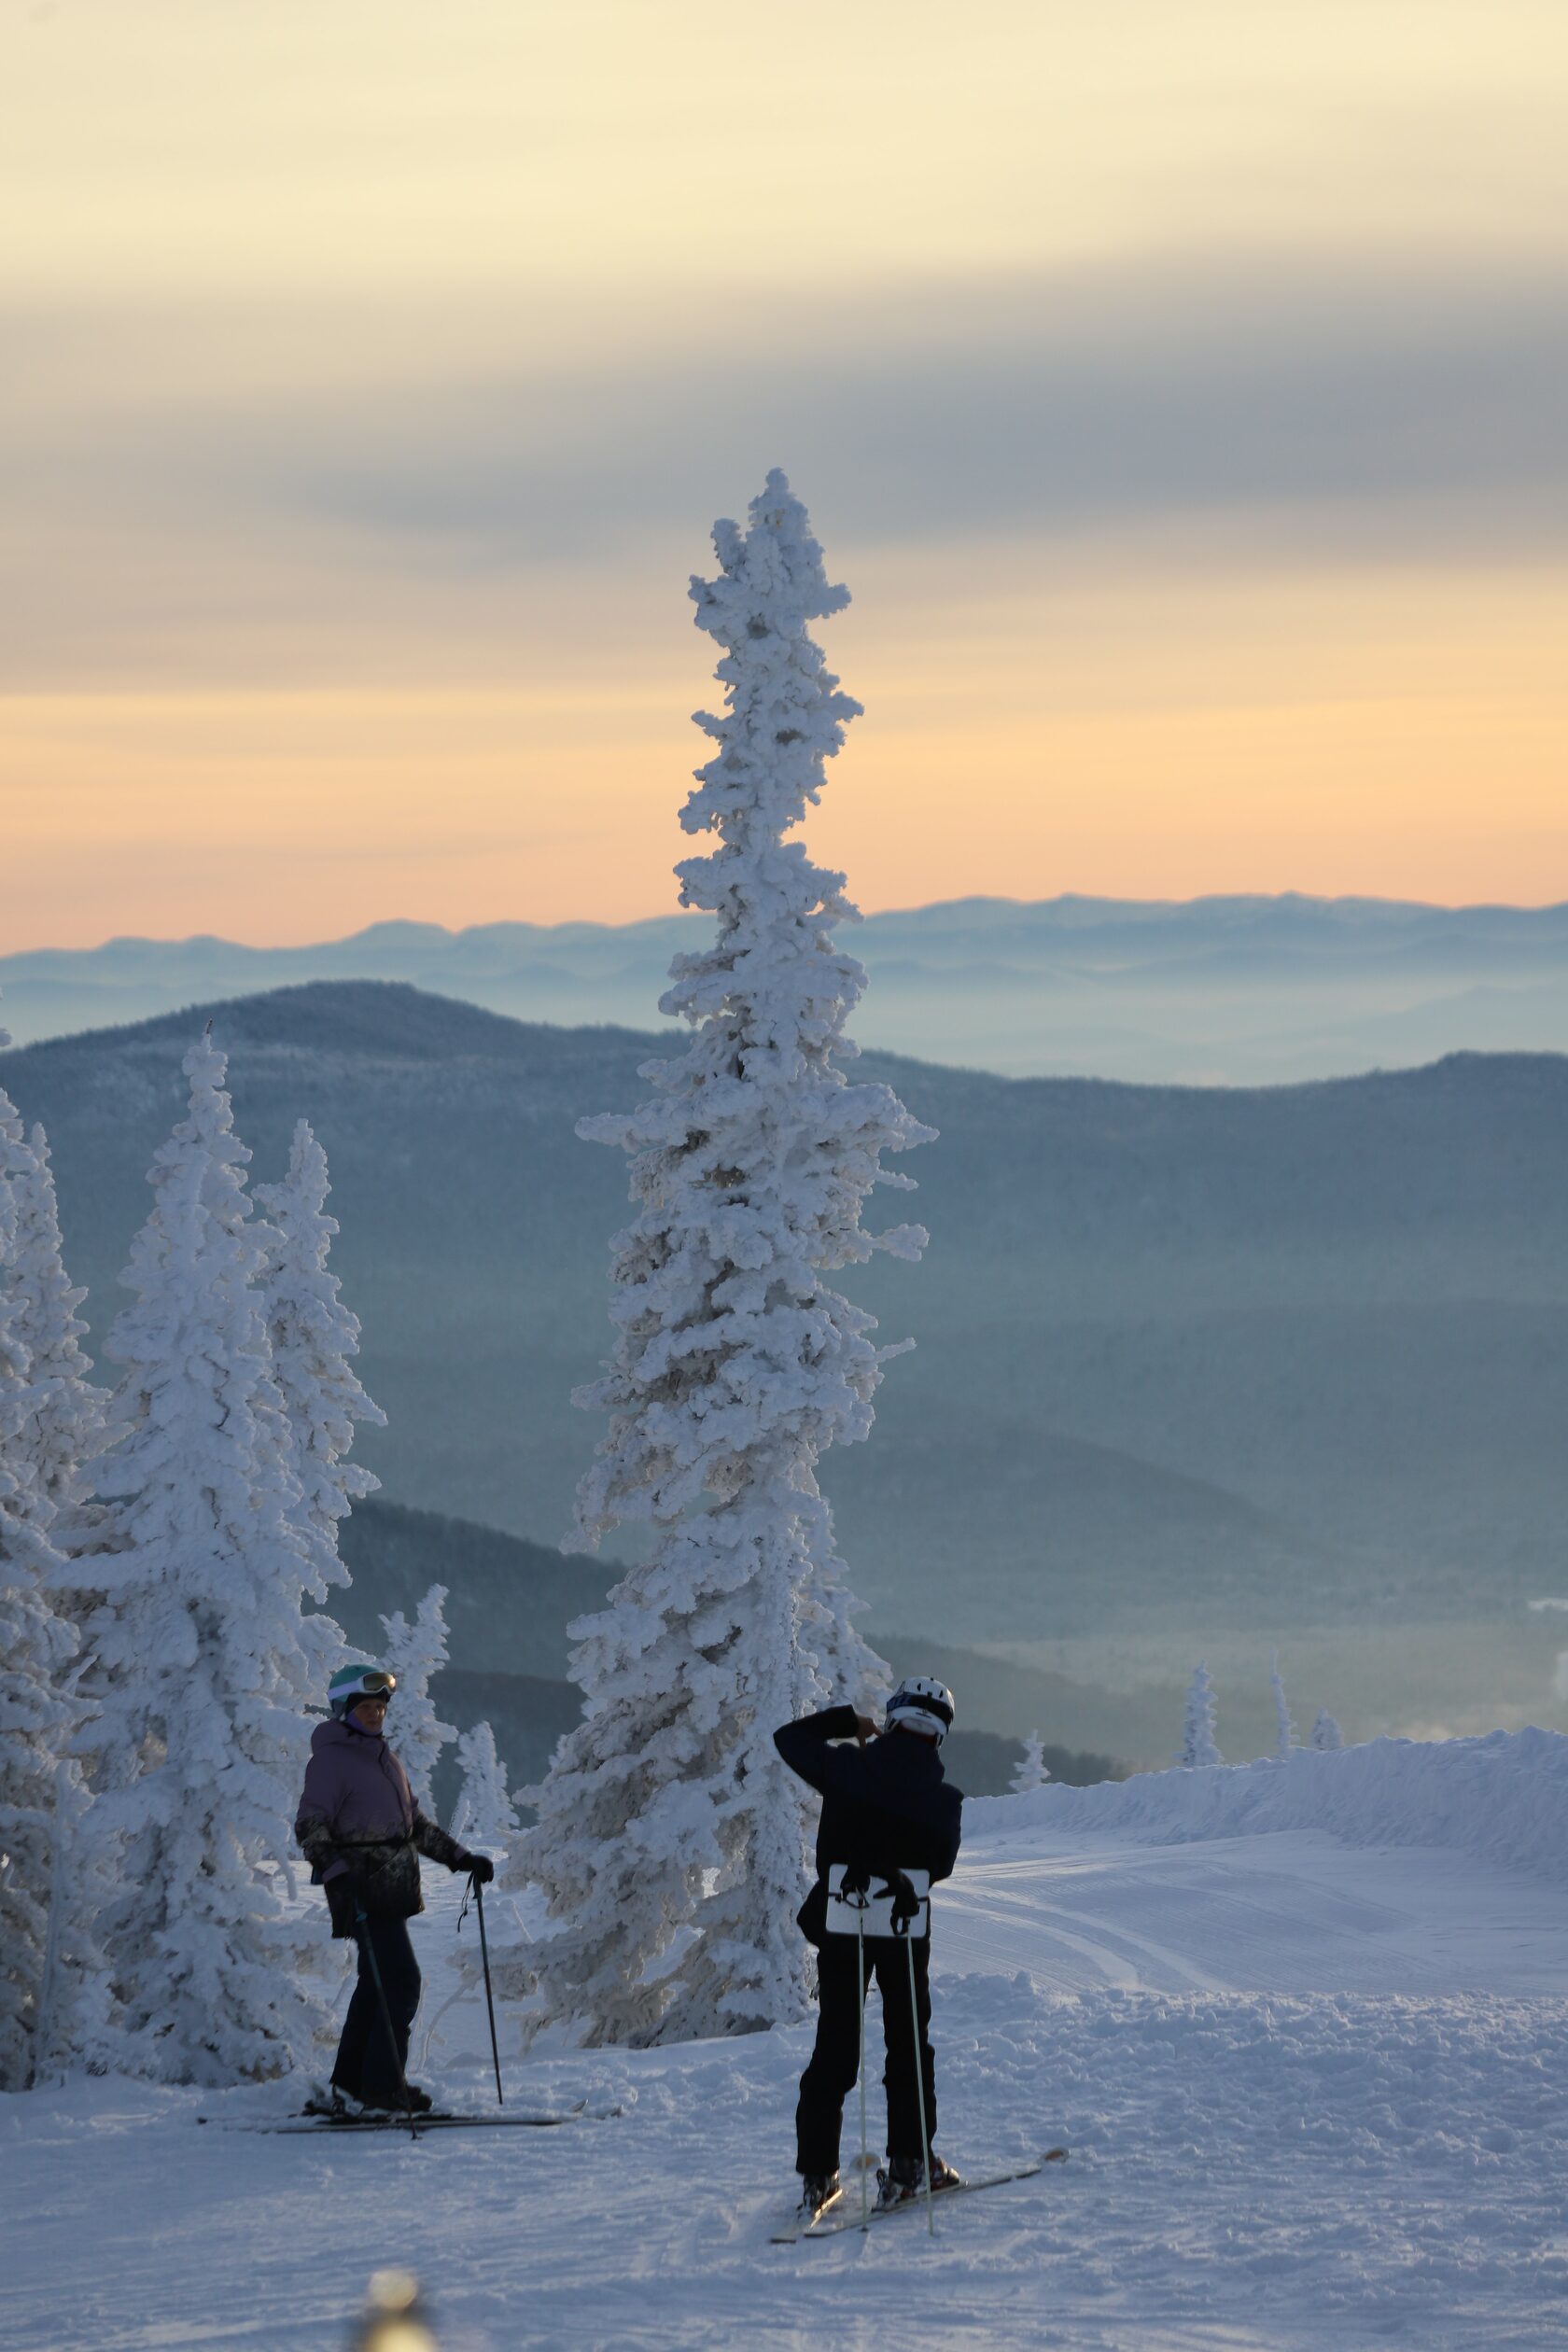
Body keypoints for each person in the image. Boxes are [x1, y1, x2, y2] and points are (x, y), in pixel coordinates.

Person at [775, 1675, 964, 2214]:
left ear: (893, 1717)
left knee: (834, 2044)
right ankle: (909, 2167)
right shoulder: (944, 1801)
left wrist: (845, 1724)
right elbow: (940, 1868)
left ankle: (818, 2174)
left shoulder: (847, 1768)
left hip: (843, 1923)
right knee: (908, 2046)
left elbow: (788, 1740)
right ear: (939, 1735)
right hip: (905, 1933)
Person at [295, 1662, 495, 2115]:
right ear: (343, 1709)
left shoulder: (383, 1758)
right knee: (402, 1982)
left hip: (389, 1888)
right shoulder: (332, 1760)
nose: (374, 1714)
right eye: (364, 1706)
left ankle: (350, 2084)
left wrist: (462, 1859)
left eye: (380, 1706)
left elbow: (413, 1827)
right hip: (360, 1887)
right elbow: (310, 1825)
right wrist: (337, 1875)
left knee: (377, 1985)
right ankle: (382, 2088)